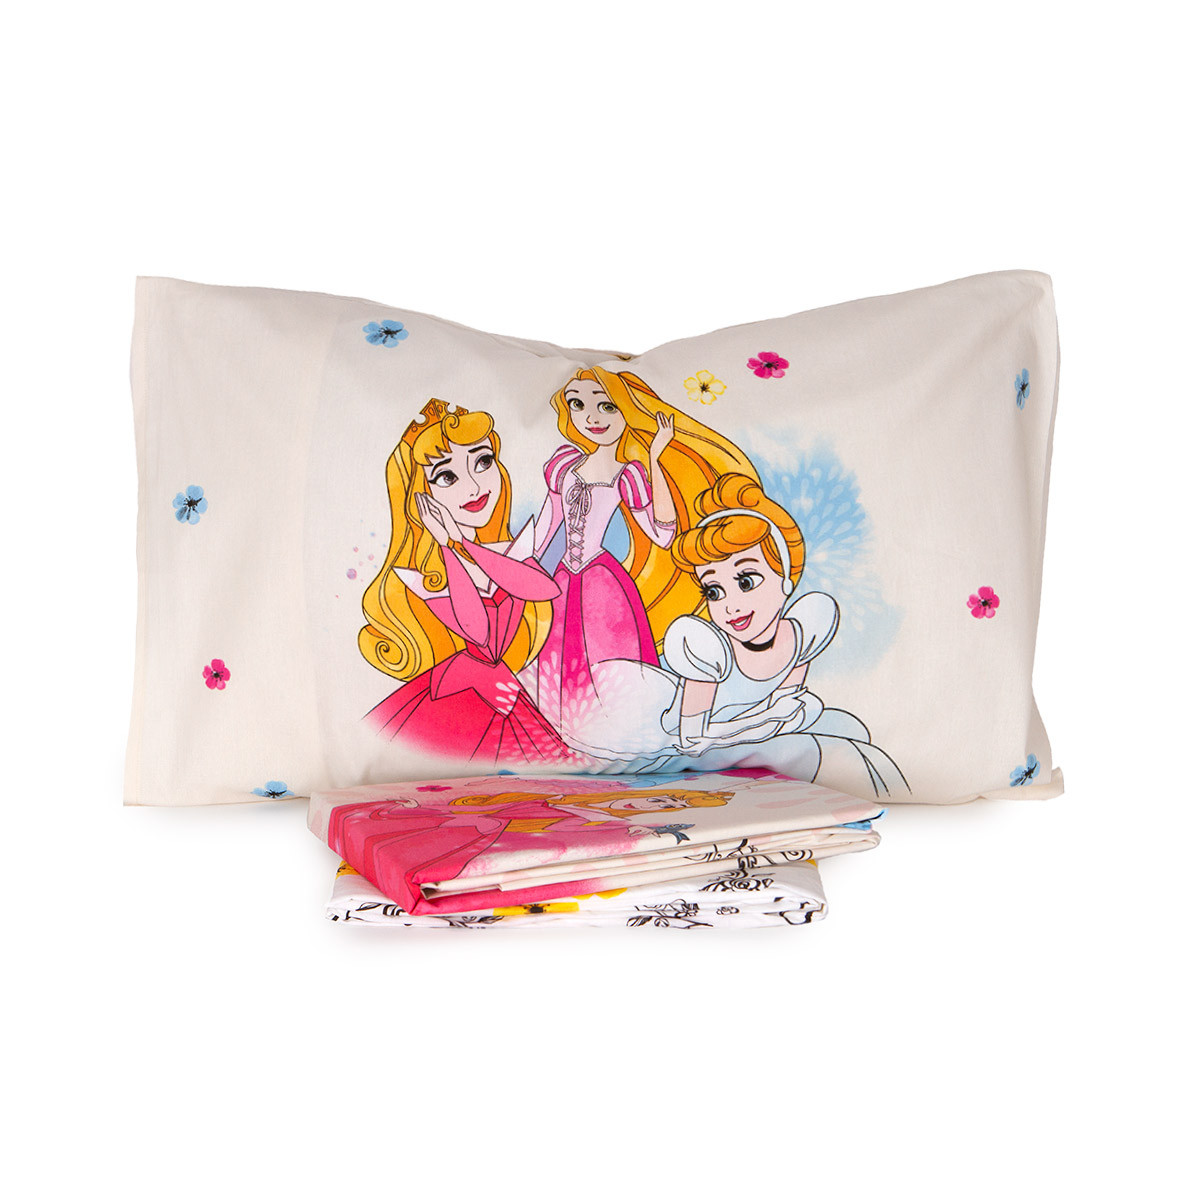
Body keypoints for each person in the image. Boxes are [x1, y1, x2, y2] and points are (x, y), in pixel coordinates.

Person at [570, 474, 910, 797]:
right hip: (681, 724)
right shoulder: (708, 650)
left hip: (746, 727)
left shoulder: (803, 631)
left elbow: (788, 704)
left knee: (850, 731)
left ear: (785, 579)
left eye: (746, 581)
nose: (731, 606)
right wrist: (761, 722)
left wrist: (776, 717)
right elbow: (692, 740)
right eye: (714, 591)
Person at [533, 366, 757, 737]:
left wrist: (655, 459)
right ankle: (561, 735)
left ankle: (612, 736)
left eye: (606, 406)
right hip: (560, 581)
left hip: (602, 587)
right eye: (578, 404)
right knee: (556, 662)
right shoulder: (563, 465)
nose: (592, 418)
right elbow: (546, 528)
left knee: (609, 670)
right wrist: (519, 573)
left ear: (626, 410)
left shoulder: (629, 475)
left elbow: (662, 534)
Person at [359, 399, 570, 765]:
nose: (473, 487)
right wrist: (447, 546)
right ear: (419, 496)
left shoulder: (511, 551)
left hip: (506, 696)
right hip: (456, 698)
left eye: (483, 461)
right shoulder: (426, 576)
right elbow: (476, 629)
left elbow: (543, 590)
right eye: (447, 477)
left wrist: (461, 543)